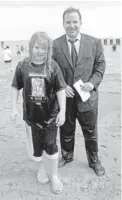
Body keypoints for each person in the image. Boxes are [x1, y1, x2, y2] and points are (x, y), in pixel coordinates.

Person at [11, 32, 66, 194]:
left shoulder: (53, 66)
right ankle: (41, 169)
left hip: (50, 117)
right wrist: (13, 107)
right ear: (30, 47)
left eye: (44, 48)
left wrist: (62, 111)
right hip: (31, 118)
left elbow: (60, 89)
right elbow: (15, 86)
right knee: (36, 148)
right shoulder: (22, 66)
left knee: (51, 146)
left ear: (48, 49)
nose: (40, 51)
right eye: (36, 47)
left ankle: (55, 175)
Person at [53, 7, 106, 176]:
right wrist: (61, 86)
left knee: (90, 131)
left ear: (80, 23)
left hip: (88, 98)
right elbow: (52, 69)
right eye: (68, 22)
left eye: (75, 21)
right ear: (63, 24)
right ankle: (67, 156)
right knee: (66, 130)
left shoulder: (95, 43)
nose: (72, 25)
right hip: (65, 98)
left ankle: (94, 160)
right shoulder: (55, 45)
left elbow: (100, 66)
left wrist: (92, 83)